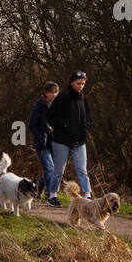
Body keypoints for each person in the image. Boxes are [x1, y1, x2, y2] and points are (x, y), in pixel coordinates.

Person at [46, 71, 92, 206]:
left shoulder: (83, 99)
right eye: (78, 83)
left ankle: (87, 196)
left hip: (79, 141)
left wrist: (86, 127)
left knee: (82, 170)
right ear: (72, 83)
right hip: (61, 141)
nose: (80, 86)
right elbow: (50, 117)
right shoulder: (61, 98)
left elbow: (88, 117)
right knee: (58, 170)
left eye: (83, 84)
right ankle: (52, 195)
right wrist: (64, 126)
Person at [28, 81, 59, 202]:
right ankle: (49, 194)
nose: (54, 95)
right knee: (50, 169)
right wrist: (40, 138)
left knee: (54, 170)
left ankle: (38, 187)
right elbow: (32, 125)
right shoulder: (39, 105)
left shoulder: (59, 106)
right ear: (46, 93)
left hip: (56, 143)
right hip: (42, 143)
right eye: (51, 92)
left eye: (56, 92)